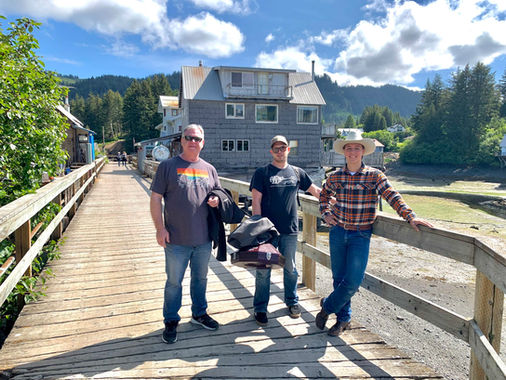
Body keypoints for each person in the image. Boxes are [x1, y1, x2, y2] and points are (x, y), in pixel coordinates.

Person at [317, 131, 433, 336]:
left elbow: (391, 195)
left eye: (357, 148)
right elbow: (323, 195)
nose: (353, 152)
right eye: (349, 148)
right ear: (344, 152)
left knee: (353, 281)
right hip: (337, 232)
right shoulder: (336, 176)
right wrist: (325, 213)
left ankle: (327, 306)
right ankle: (343, 320)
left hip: (360, 235)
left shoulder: (374, 175)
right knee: (338, 278)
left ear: (363, 152)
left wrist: (410, 216)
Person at [150, 124, 220, 344]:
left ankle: (199, 313)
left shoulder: (209, 168)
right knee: (173, 283)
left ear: (203, 142)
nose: (193, 141)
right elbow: (155, 199)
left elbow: (219, 195)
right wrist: (160, 229)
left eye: (197, 138)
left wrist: (217, 201)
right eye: (189, 137)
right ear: (181, 140)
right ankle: (171, 320)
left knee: (200, 279)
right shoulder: (168, 166)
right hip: (176, 239)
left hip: (203, 239)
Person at [249, 135, 322, 326]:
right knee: (264, 271)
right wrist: (259, 228)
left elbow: (315, 191)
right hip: (268, 232)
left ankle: (292, 302)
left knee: (290, 268)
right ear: (271, 151)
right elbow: (255, 200)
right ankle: (260, 308)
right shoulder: (262, 172)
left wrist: (334, 200)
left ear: (288, 150)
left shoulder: (297, 172)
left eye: (283, 148)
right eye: (276, 148)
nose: (280, 151)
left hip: (290, 230)